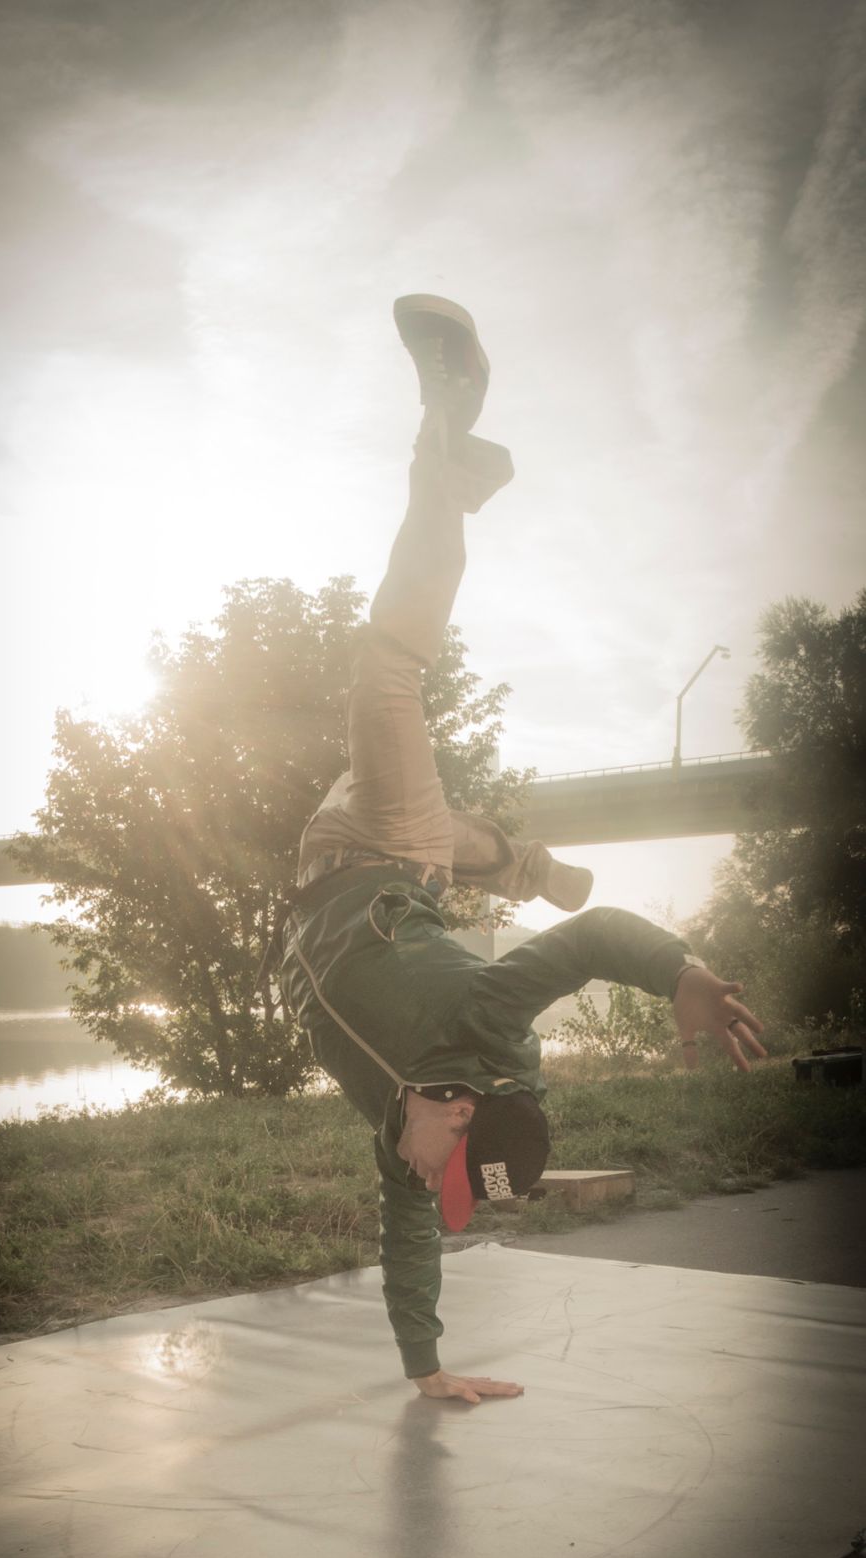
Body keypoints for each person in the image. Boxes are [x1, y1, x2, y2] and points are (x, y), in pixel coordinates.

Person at [279, 295, 766, 1405]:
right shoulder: (483, 1028)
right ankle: (449, 414)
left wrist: (428, 1368)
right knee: (386, 667)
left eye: (438, 1176)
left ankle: (508, 860)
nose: (422, 1167)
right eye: (446, 1147)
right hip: (380, 851)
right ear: (465, 1097)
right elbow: (592, 939)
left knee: (434, 833)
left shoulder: (413, 1143)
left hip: (351, 860)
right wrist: (682, 970)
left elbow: (411, 1240)